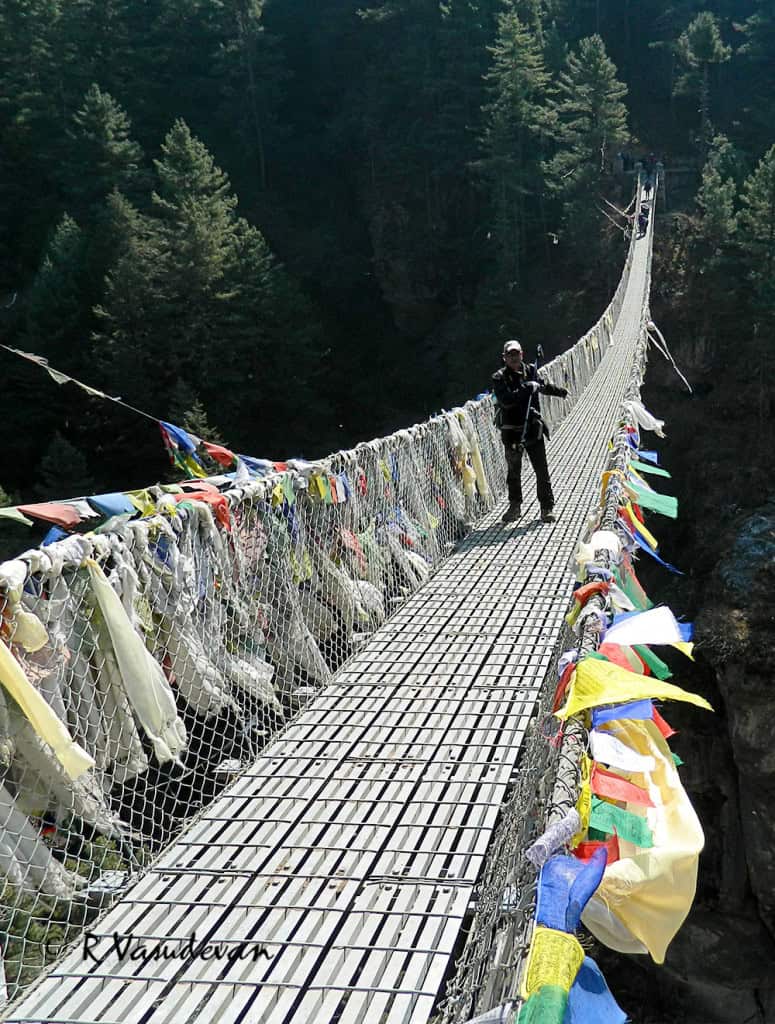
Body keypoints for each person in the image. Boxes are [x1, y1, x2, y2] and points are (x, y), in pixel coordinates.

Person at [492, 340, 568, 524]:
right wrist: (527, 388)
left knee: (541, 469)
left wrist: (560, 392)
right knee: (513, 472)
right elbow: (506, 400)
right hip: (512, 432)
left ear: (522, 354)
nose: (514, 358)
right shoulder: (499, 378)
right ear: (504, 357)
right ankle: (515, 506)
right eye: (510, 355)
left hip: (533, 428)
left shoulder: (531, 371)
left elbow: (541, 386)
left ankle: (546, 508)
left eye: (516, 354)